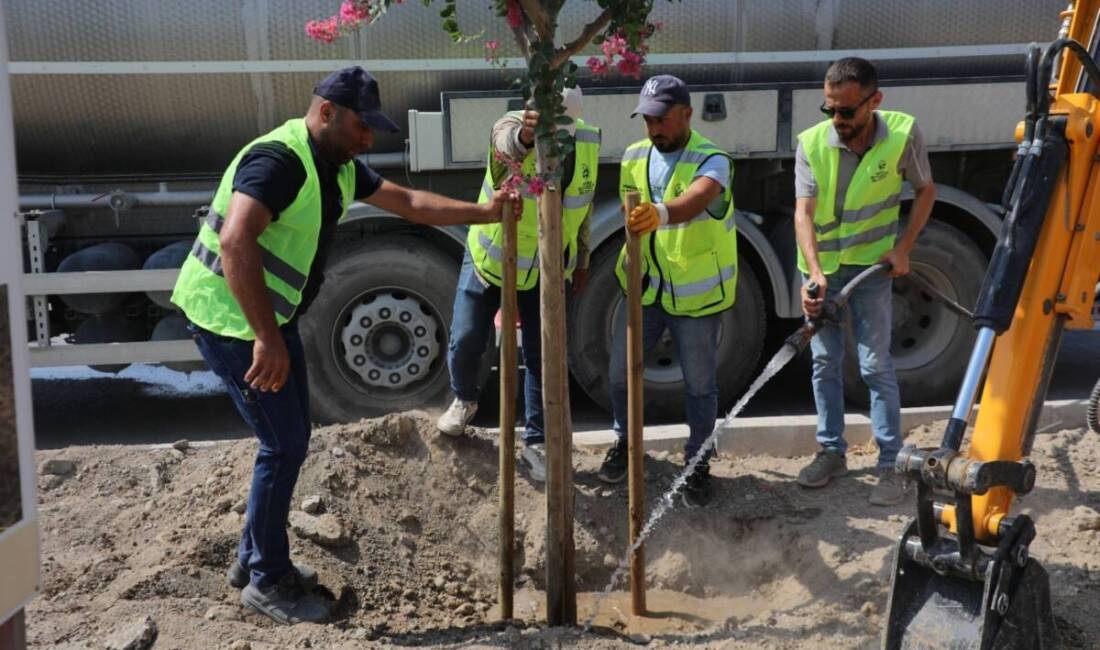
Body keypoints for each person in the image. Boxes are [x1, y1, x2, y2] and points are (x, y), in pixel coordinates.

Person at [170, 66, 518, 625]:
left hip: (264, 318)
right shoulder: (280, 160)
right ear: (327, 112)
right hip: (231, 320)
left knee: (288, 440)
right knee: (282, 446)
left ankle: (252, 560)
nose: (368, 139)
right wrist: (266, 339)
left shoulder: (335, 165)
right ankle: (267, 582)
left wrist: (484, 211)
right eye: (362, 126)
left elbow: (410, 203)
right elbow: (235, 241)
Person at [436, 87, 601, 483]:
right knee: (468, 337)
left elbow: (585, 200)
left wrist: (581, 258)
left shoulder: (588, 140)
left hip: (545, 267)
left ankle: (537, 441)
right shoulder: (509, 126)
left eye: (564, 127)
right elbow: (504, 152)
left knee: (541, 355)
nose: (557, 135)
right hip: (491, 258)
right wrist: (526, 138)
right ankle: (464, 398)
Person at [793, 57, 936, 505]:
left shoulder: (902, 135)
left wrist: (904, 249)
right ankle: (831, 452)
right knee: (824, 363)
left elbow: (925, 189)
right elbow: (804, 213)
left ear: (875, 101)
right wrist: (814, 275)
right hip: (824, 271)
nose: (837, 120)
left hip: (872, 270)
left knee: (875, 365)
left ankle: (890, 464)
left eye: (847, 111)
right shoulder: (812, 144)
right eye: (830, 109)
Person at [596, 75, 737, 509]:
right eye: (647, 119)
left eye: (662, 118)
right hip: (646, 288)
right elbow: (627, 210)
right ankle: (624, 442)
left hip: (695, 297)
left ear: (687, 114)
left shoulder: (712, 159)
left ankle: (697, 463)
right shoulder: (636, 155)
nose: (654, 128)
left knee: (699, 385)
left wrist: (660, 212)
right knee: (621, 373)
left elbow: (699, 198)